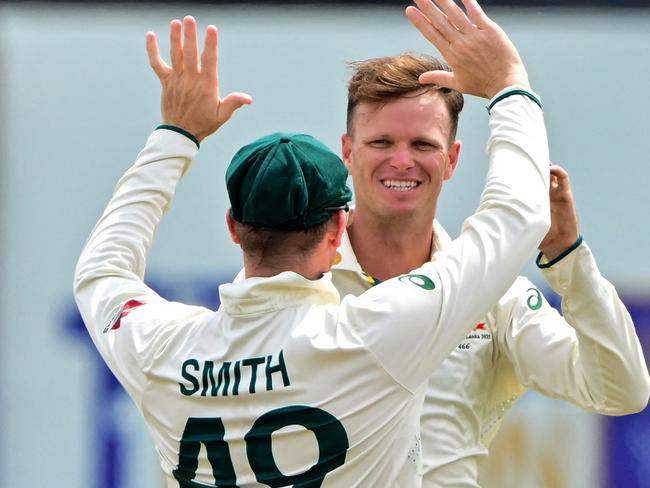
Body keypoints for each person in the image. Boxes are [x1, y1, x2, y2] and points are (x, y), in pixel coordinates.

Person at [74, 2, 552, 486]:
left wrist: (175, 135)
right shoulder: (371, 336)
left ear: (234, 227)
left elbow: (100, 273)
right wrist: (509, 85)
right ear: (336, 230)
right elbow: (517, 218)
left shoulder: (162, 347)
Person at [332, 1, 650, 486]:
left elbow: (621, 390)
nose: (401, 161)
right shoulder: (300, 277)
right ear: (348, 151)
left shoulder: (495, 295)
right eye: (380, 143)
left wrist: (569, 259)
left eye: (422, 145)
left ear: (453, 159)